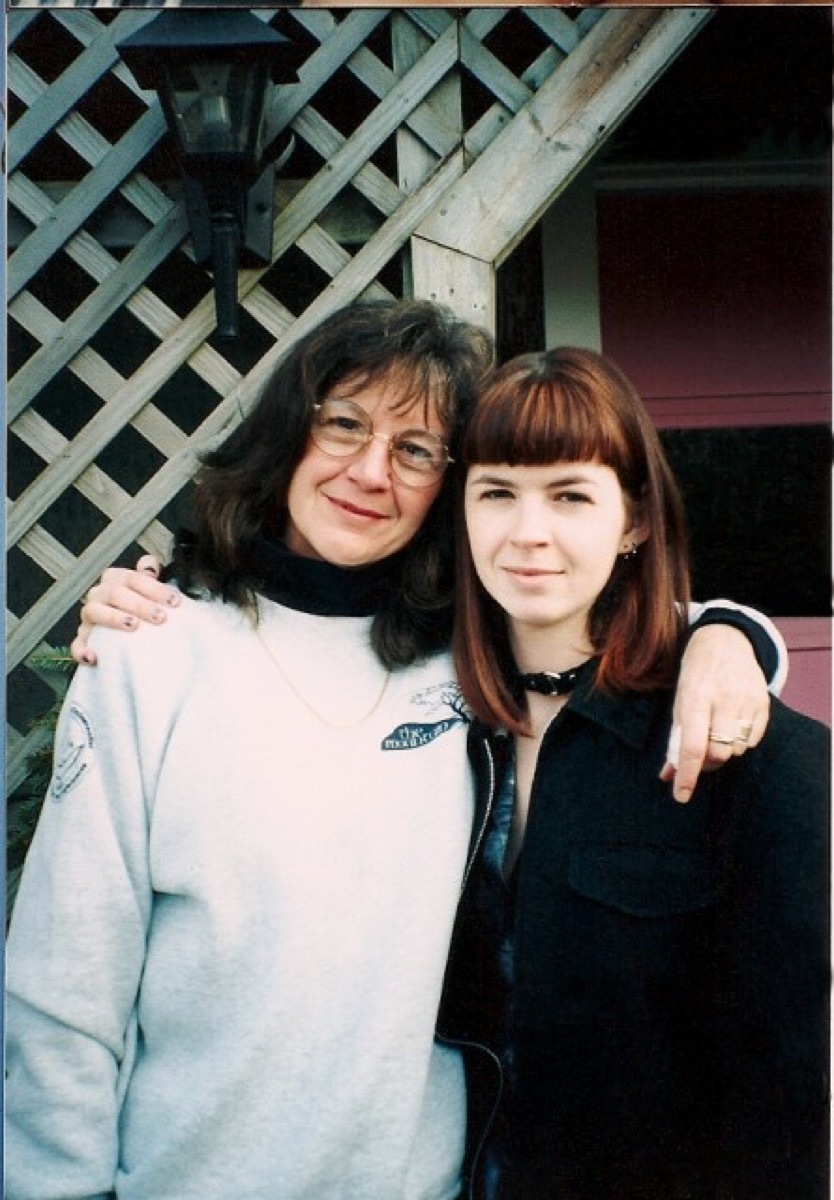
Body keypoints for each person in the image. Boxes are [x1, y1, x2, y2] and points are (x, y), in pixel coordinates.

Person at [7, 299, 784, 1200]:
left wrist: (728, 636)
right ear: (286, 434)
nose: (370, 472)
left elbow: (634, 621)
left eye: (416, 450)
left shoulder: (469, 654)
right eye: (344, 425)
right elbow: (66, 983)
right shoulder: (153, 651)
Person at [440, 347, 829, 1200]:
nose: (527, 532)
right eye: (497, 492)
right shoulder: (423, 722)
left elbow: (790, 1099)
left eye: (571, 495)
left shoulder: (753, 754)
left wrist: (726, 635)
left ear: (636, 521)